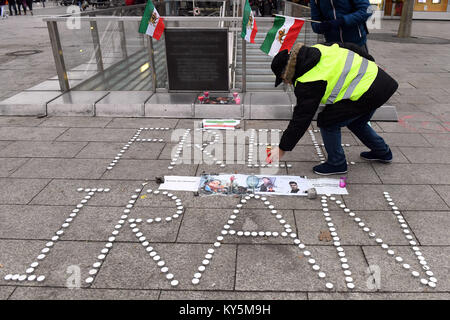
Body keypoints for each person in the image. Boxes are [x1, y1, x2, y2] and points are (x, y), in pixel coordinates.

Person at [267, 42, 398, 175]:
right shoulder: (319, 48)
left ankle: (337, 163)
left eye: (283, 79)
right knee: (357, 122)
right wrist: (370, 61)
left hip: (367, 92)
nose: (286, 83)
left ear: (286, 73)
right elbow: (351, 46)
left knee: (328, 121)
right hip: (381, 80)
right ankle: (383, 152)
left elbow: (301, 118)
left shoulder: (307, 81)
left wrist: (282, 148)